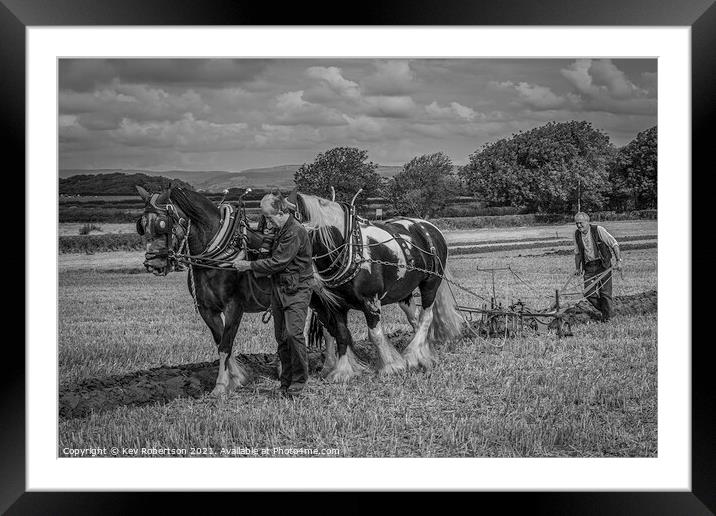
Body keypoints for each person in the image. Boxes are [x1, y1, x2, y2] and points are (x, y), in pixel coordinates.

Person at [232, 192, 313, 397]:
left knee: (294, 335)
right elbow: (267, 253)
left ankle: (299, 380)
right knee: (282, 338)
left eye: (269, 217)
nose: (266, 221)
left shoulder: (294, 232)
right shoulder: (279, 230)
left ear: (281, 212)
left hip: (297, 289)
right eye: (265, 217)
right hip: (279, 289)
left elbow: (278, 262)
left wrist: (248, 265)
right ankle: (285, 380)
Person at [573, 212, 622, 322]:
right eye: (577, 223)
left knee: (605, 293)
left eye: (581, 223)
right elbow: (577, 253)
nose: (579, 226)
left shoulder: (598, 230)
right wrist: (577, 268)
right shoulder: (577, 234)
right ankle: (607, 311)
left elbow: (614, 244)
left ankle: (608, 318)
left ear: (587, 222)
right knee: (588, 292)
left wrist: (618, 261)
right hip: (589, 266)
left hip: (603, 265)